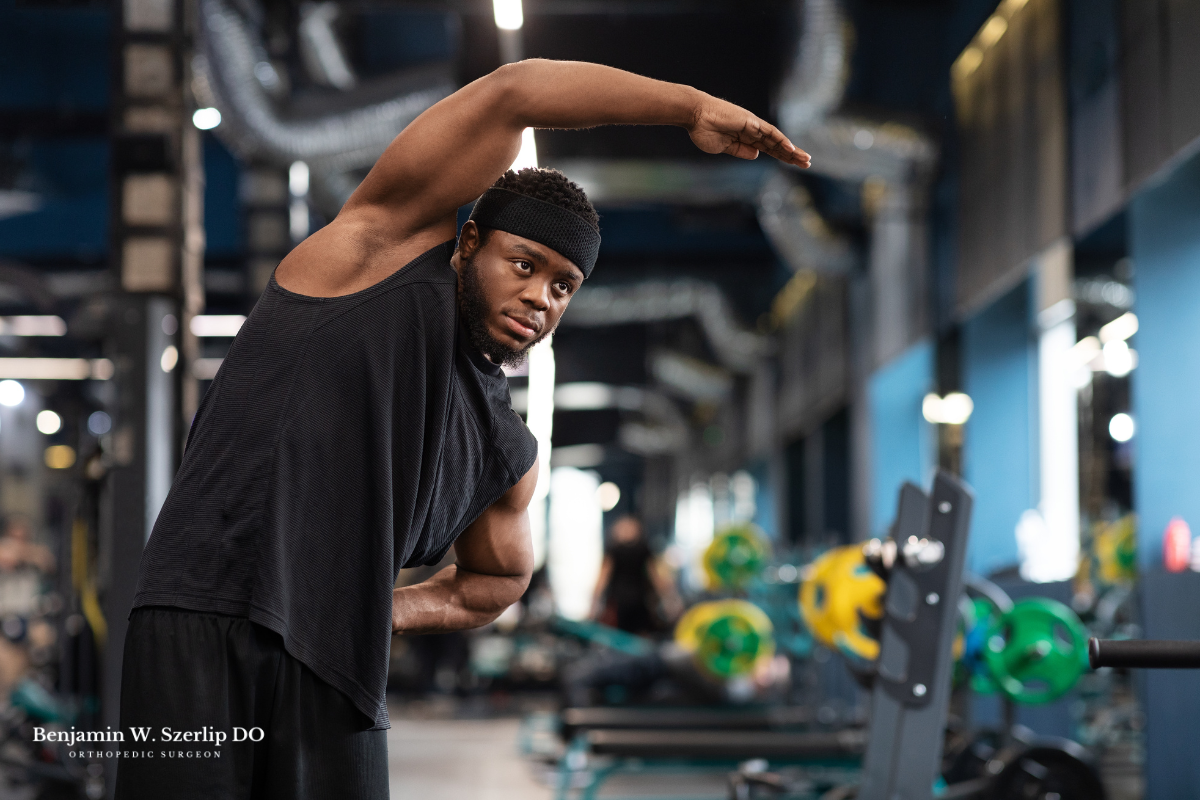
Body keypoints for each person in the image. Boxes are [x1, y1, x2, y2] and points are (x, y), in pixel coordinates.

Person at [115, 59, 808, 799]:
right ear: (469, 242)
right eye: (524, 263)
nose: (539, 296)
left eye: (562, 286)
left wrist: (385, 610)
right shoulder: (373, 255)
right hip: (199, 617)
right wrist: (688, 104)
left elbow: (500, 578)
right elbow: (517, 90)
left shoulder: (506, 450)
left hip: (336, 664)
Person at [590, 516, 682, 634]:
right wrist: (670, 598)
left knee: (618, 640)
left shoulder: (616, 550)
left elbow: (602, 579)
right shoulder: (642, 550)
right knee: (640, 639)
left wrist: (593, 605)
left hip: (620, 603)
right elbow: (657, 579)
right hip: (638, 602)